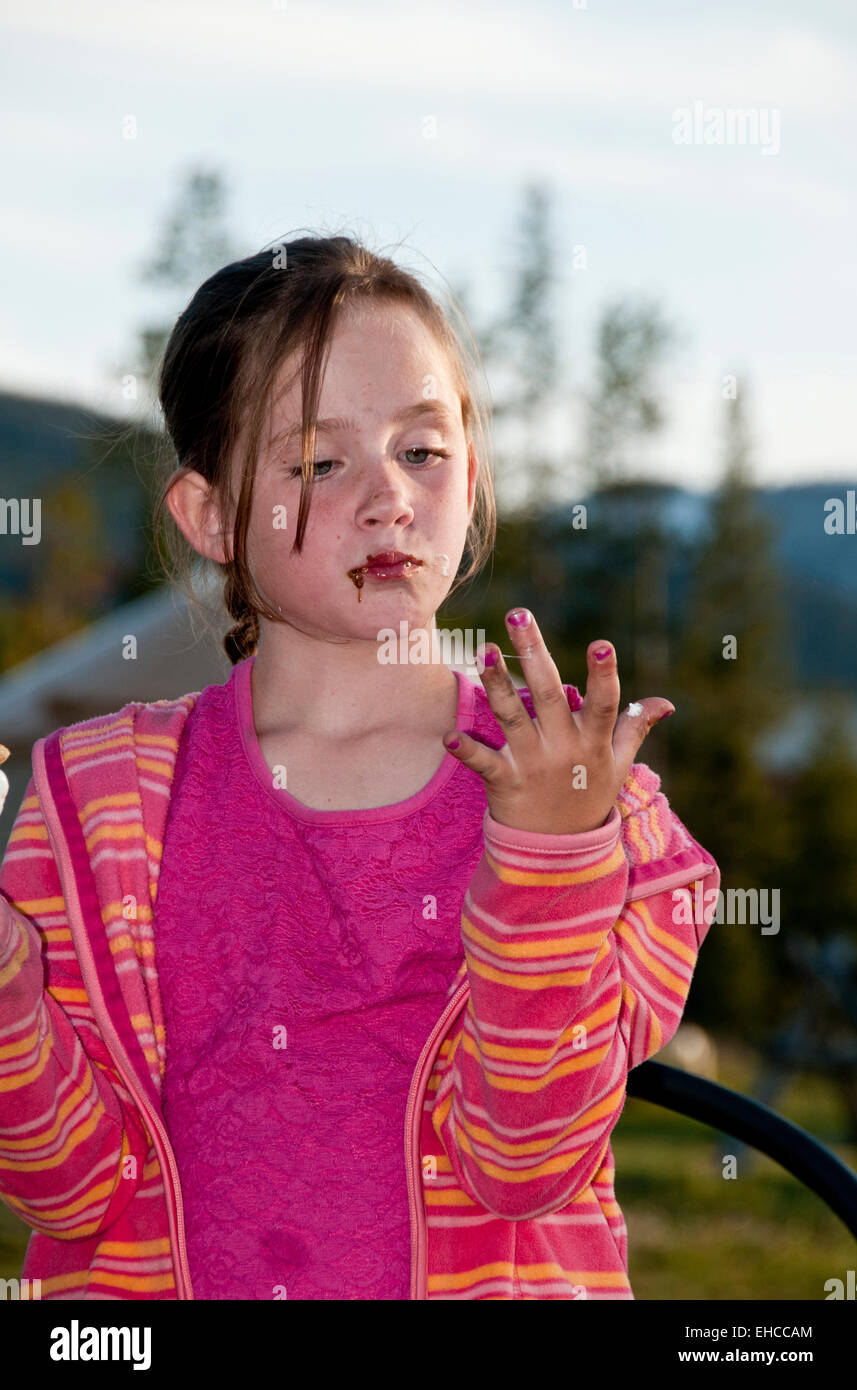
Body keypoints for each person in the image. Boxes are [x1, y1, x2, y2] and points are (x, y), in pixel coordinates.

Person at [0, 233, 720, 1300]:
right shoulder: (93, 805)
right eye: (316, 462)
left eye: (420, 451)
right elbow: (67, 1188)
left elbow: (523, 1165)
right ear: (209, 517)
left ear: (471, 471)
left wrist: (549, 858)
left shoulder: (584, 790)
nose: (386, 497)